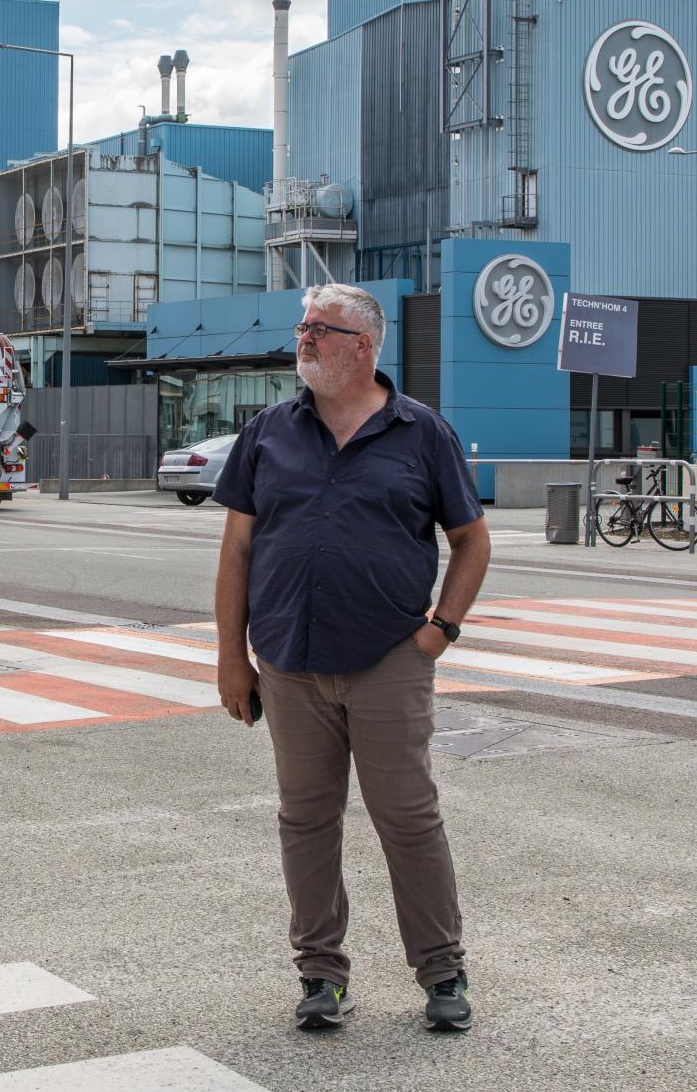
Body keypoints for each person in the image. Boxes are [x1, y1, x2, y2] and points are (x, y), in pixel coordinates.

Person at [213, 282, 490, 1033]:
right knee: (306, 818)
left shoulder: (421, 432)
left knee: (407, 816)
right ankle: (320, 975)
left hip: (388, 658)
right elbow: (237, 548)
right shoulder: (269, 431)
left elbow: (472, 541)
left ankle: (442, 971)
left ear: (363, 346)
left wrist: (441, 631)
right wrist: (230, 657)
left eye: (319, 330)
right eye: (302, 328)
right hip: (289, 661)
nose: (303, 339)